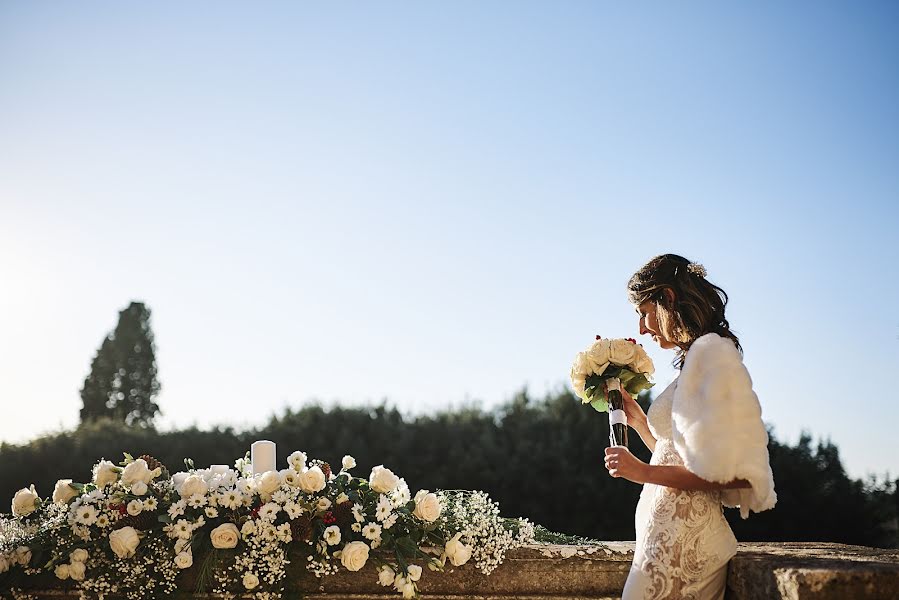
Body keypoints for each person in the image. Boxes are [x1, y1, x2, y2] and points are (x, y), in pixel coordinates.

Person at [604, 254, 776, 600]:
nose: (641, 328)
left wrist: (641, 473)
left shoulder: (714, 354)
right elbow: (684, 460)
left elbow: (735, 475)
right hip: (662, 543)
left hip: (686, 549)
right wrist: (639, 422)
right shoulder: (696, 359)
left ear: (667, 298)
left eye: (644, 312)